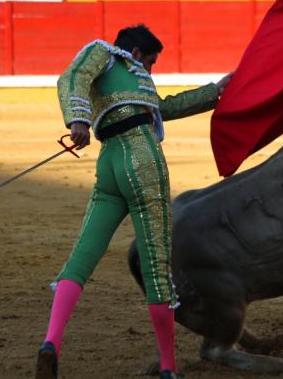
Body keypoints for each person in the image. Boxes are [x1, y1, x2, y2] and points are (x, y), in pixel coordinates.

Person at [35, 25, 233, 379]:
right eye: (152, 61)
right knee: (156, 265)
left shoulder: (128, 78)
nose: (151, 70)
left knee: (83, 253)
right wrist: (77, 118)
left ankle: (51, 342)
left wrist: (214, 91)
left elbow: (163, 107)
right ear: (138, 54)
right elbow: (72, 77)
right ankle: (169, 367)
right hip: (141, 158)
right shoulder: (106, 54)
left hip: (110, 163)